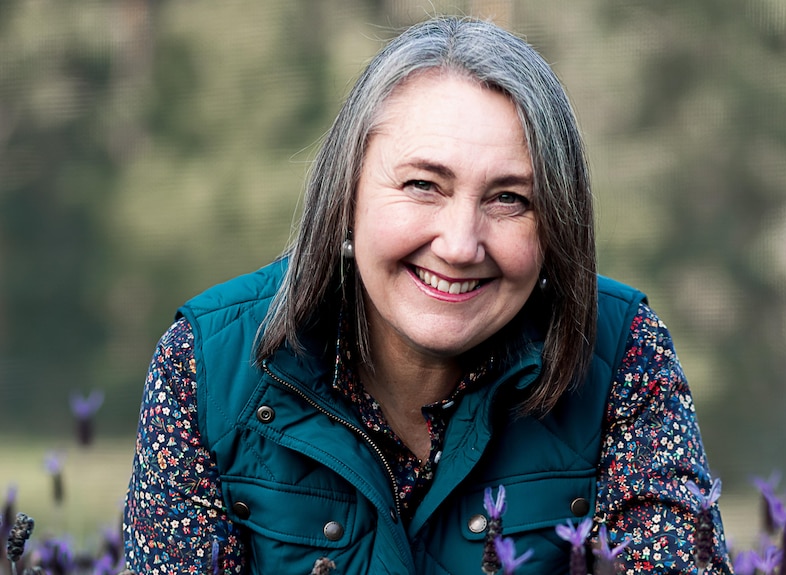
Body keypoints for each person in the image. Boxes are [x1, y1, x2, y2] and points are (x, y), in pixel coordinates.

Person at [122, 16, 732, 575]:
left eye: (510, 199)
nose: (461, 244)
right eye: (422, 185)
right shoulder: (206, 364)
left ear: (557, 227)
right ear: (347, 195)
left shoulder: (621, 351)